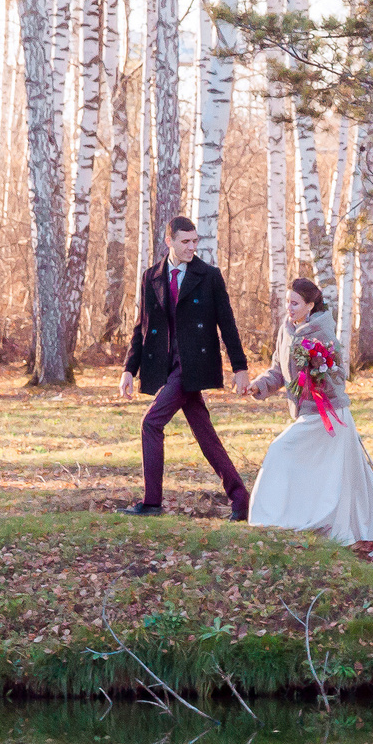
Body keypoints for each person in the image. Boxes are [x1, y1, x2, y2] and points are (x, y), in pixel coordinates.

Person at [246, 277, 373, 551]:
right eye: (287, 303)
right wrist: (260, 385)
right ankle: (306, 521)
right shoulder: (286, 330)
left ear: (309, 305)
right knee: (336, 476)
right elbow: (277, 370)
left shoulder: (322, 332)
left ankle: (268, 517)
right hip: (306, 415)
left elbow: (338, 375)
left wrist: (318, 372)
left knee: (280, 451)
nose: (290, 308)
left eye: (295, 304)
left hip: (328, 415)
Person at [120, 216, 251, 519]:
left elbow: (227, 324)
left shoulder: (209, 276)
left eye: (195, 241)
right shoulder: (150, 276)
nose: (192, 247)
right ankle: (239, 497)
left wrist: (240, 367)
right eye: (185, 242)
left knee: (151, 423)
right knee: (204, 433)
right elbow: (142, 326)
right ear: (169, 242)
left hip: (194, 365)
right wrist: (130, 368)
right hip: (166, 364)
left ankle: (152, 502)